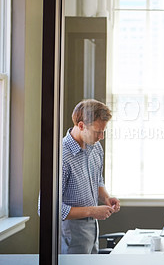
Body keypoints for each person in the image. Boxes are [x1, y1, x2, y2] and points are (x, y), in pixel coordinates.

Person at [39, 99, 120, 254]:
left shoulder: (95, 147)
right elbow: (45, 208)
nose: (101, 137)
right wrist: (92, 211)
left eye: (103, 131)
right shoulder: (61, 156)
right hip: (70, 231)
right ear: (81, 125)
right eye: (97, 132)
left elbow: (97, 179)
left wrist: (106, 198)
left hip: (93, 228)